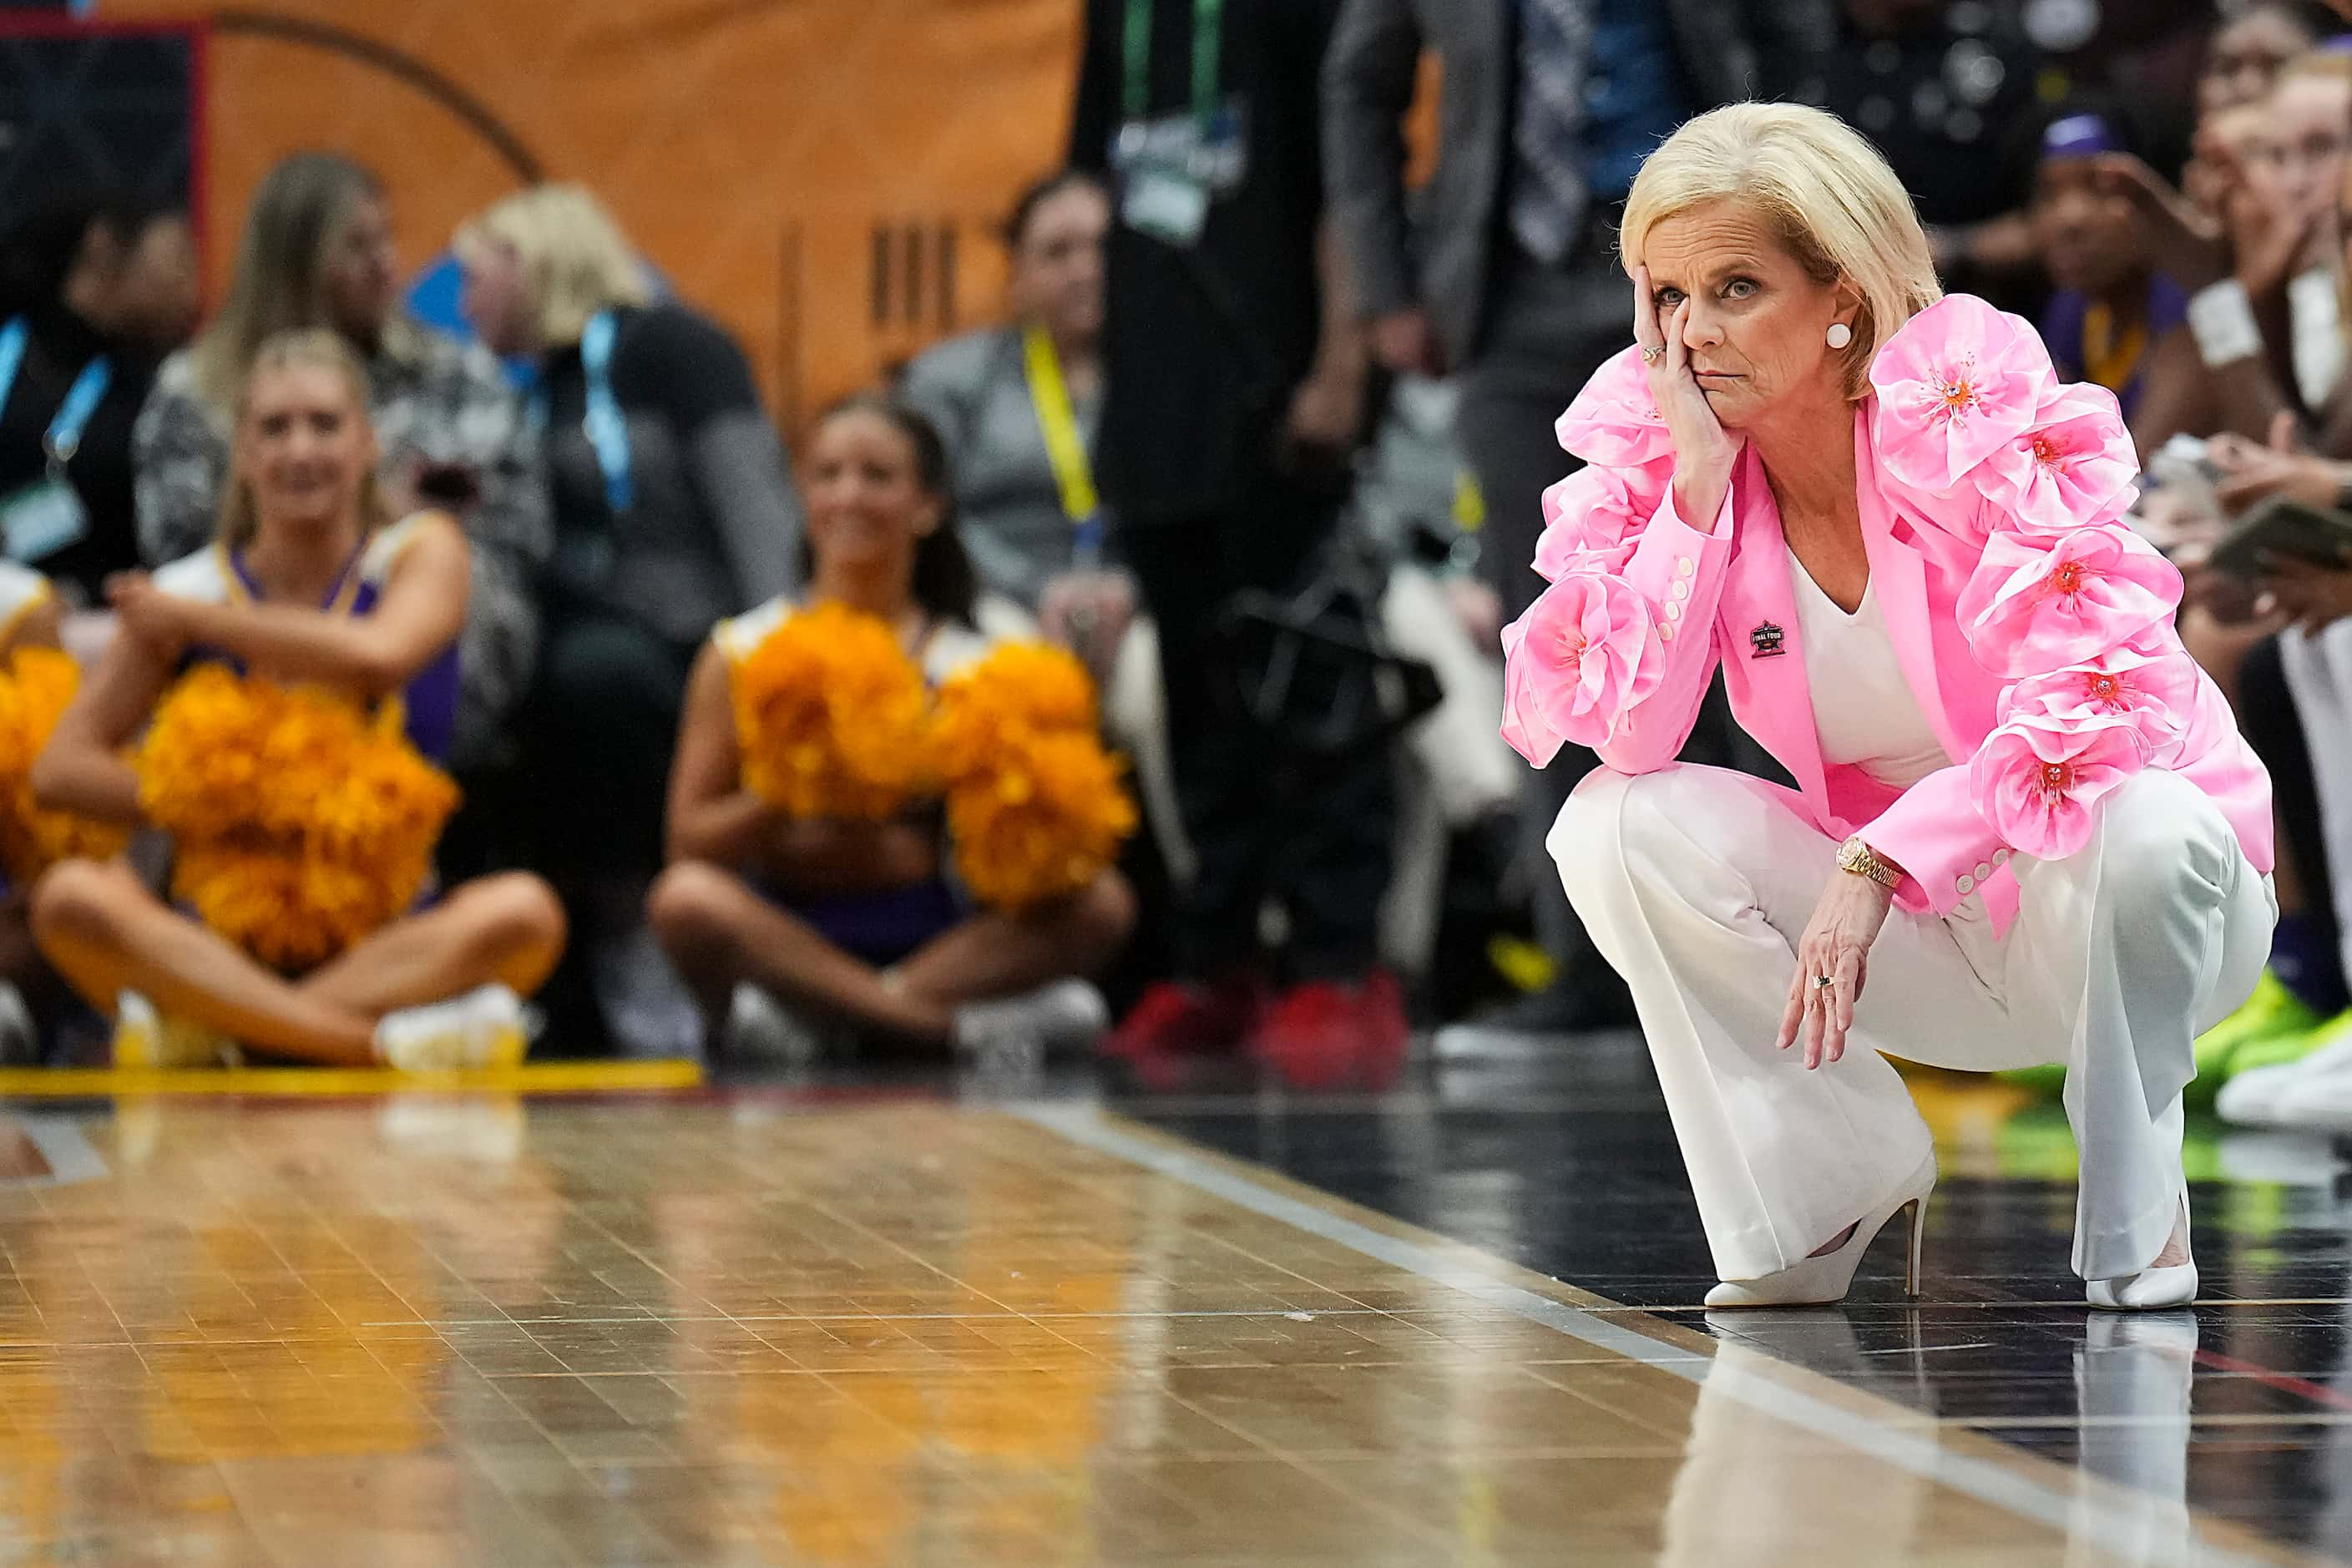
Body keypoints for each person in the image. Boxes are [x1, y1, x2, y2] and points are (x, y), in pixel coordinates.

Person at [1518, 104, 2274, 1309]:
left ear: (1842, 298)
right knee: (1608, 822)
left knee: (2142, 817)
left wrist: (1877, 861)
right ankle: (1825, 1189)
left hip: (2133, 910)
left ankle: (2142, 1211)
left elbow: (2083, 716)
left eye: (1732, 288)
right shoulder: (1681, 465)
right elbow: (1633, 736)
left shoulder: (1964, 410)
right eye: (1664, 296)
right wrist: (1697, 501)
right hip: (1927, 942)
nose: (1689, 333)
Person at [1323, 0, 1784, 1037]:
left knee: (1737, 595)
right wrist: (1389, 280)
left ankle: (1762, 946)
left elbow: (1796, 49)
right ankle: (1589, 964)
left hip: (1712, 279)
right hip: (1508, 290)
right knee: (1557, 629)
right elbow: (1360, 86)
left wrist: (1801, 245)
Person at [29, 330, 566, 1070]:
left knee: (525, 913)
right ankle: (367, 1045)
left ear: (368, 444)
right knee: (71, 898)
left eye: (324, 424)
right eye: (275, 428)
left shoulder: (417, 551)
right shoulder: (191, 587)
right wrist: (229, 800)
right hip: (213, 927)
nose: (300, 449)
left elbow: (382, 656)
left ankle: (221, 1029)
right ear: (243, 456)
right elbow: (60, 770)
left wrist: (201, 625)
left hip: (386, 930)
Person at [1071, 0, 1408, 1087]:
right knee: (1193, 692)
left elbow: (1348, 184)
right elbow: (1105, 186)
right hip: (1156, 402)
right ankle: (1215, 959)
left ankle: (1338, 963)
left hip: (1279, 389)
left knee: (1311, 678)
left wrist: (1343, 369)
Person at [647, 397, 1133, 1060]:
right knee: (684, 900)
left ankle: (839, 1020)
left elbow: (1045, 859)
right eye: (827, 474)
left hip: (945, 938)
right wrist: (798, 789)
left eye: (876, 476)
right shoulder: (743, 650)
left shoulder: (990, 652)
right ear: (804, 496)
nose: (849, 495)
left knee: (1103, 902)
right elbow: (689, 842)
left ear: (928, 506)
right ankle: (941, 1031)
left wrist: (981, 790)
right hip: (789, 934)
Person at [454, 184, 802, 1054]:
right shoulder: (523, 388)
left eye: (476, 280)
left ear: (536, 263)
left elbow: (753, 503)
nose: (464, 307)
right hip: (566, 630)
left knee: (595, 681)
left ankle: (647, 944)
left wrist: (778, 651)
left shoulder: (674, 347)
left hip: (683, 636)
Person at [134, 153, 544, 775]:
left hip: (436, 634)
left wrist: (373, 534)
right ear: (295, 261)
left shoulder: (455, 375)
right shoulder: (196, 388)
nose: (385, 264)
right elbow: (178, 543)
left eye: (385, 238)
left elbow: (517, 532)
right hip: (240, 640)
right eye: (356, 246)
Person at [900, 170, 1135, 671]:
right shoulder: (951, 379)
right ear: (1017, 271)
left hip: (1130, 602)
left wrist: (1129, 587)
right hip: (989, 598)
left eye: (1101, 248)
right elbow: (929, 515)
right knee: (990, 671)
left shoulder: (1169, 381)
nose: (1085, 270)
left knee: (1155, 679)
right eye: (1057, 252)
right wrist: (1031, 589)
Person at [0, 194, 196, 603]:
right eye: (179, 258)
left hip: (96, 614)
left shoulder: (157, 388)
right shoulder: (14, 346)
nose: (192, 286)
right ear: (103, 245)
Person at [2031, 112, 2188, 424]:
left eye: (2100, 187)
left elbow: (2136, 463)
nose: (2070, 217)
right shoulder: (2073, 307)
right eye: (2050, 194)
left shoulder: (2187, 304)